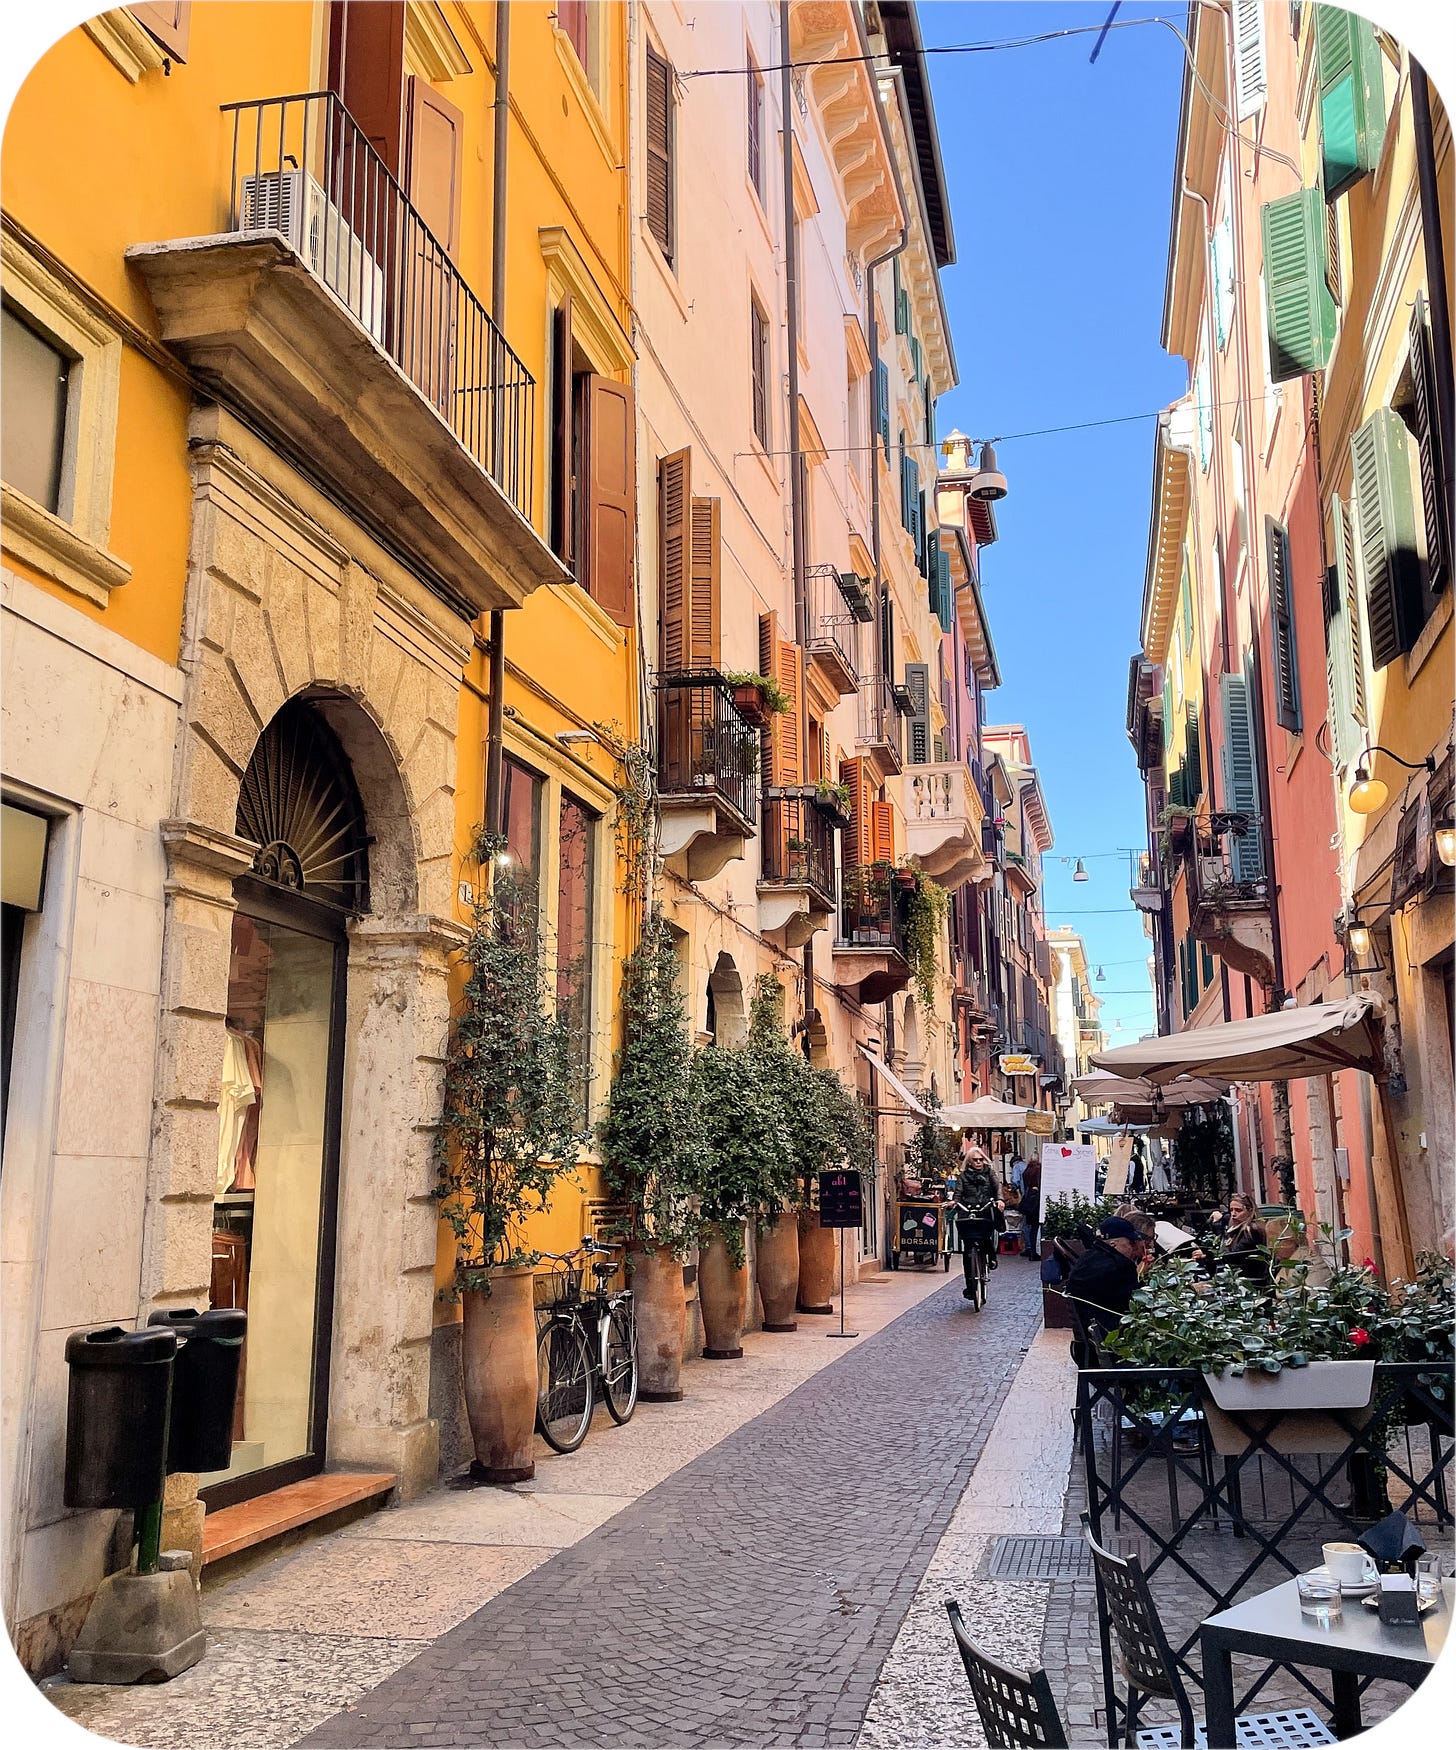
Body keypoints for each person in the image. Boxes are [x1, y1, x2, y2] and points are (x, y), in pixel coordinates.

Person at [1063, 1215, 1148, 1339]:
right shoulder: (1119, 1266)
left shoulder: (1088, 1257)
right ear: (1113, 1244)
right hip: (1111, 1339)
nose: (1133, 1247)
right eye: (1130, 1243)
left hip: (1088, 1338)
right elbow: (1138, 1302)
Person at [954, 1146, 1004, 1297]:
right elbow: (958, 1192)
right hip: (968, 1210)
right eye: (975, 1160)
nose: (978, 1162)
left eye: (980, 1159)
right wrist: (954, 1202)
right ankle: (970, 1286)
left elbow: (997, 1187)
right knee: (968, 1250)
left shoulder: (989, 1173)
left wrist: (999, 1200)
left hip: (985, 1208)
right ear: (969, 1162)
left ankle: (992, 1258)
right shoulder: (963, 1176)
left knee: (985, 1236)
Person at [1193, 1192, 1271, 1286]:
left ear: (1250, 1211)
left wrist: (1207, 1254)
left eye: (1238, 1210)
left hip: (1248, 1281)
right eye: (1231, 1210)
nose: (1233, 1214)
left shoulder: (1252, 1230)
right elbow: (1227, 1219)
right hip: (1235, 1277)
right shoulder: (1237, 1227)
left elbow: (1234, 1256)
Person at [1020, 1158, 1042, 1259]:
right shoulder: (1038, 1171)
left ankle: (1032, 1251)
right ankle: (1037, 1251)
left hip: (1029, 1203)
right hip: (1037, 1203)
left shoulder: (1026, 1172)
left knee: (1032, 1228)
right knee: (1038, 1228)